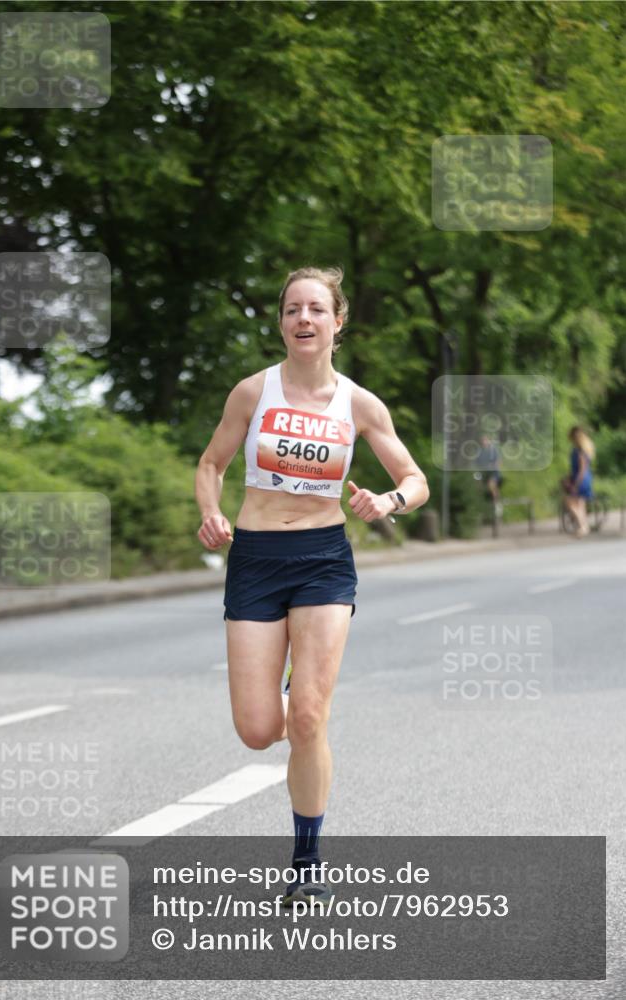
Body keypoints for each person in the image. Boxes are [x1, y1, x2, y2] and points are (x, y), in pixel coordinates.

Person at [194, 266, 429, 906]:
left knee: (306, 718)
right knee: (256, 728)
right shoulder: (252, 392)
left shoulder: (359, 404)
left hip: (324, 558)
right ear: (282, 322)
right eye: (293, 309)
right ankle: (302, 696)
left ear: (337, 322)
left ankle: (306, 857)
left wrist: (389, 501)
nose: (304, 319)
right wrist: (211, 512)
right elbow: (212, 463)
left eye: (316, 309)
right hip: (256, 558)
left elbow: (415, 477)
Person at [562, 425, 595, 538]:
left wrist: (575, 484)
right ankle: (583, 527)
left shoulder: (579, 451)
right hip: (585, 478)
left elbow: (581, 470)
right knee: (580, 504)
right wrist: (569, 477)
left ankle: (583, 526)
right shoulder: (584, 449)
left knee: (569, 501)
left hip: (581, 479)